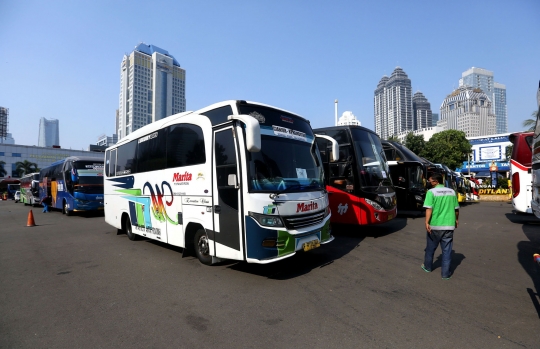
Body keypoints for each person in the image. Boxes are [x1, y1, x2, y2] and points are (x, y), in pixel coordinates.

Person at [421, 173, 459, 280]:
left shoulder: (431, 192)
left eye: (430, 181)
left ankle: (428, 267)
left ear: (436, 181)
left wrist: (426, 222)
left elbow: (429, 208)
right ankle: (445, 274)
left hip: (435, 226)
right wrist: (456, 220)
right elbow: (456, 209)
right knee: (447, 251)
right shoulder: (451, 192)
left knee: (430, 248)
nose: (429, 183)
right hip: (448, 226)